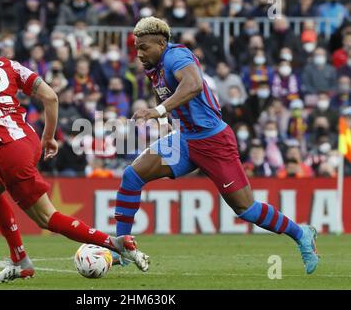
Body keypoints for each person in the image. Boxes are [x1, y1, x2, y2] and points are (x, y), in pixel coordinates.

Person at [0, 21, 149, 283]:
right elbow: (51, 96)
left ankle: (116, 243)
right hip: (28, 139)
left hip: (9, 151)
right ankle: (20, 260)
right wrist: (49, 137)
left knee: (47, 218)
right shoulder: (7, 64)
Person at [114, 16, 319, 274]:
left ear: (162, 43)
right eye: (136, 48)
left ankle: (301, 233)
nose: (139, 53)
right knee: (132, 176)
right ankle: (122, 247)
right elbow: (169, 96)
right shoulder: (153, 67)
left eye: (144, 47)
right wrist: (166, 118)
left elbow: (194, 85)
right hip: (186, 139)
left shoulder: (176, 57)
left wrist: (158, 110)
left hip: (213, 141)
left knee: (245, 209)